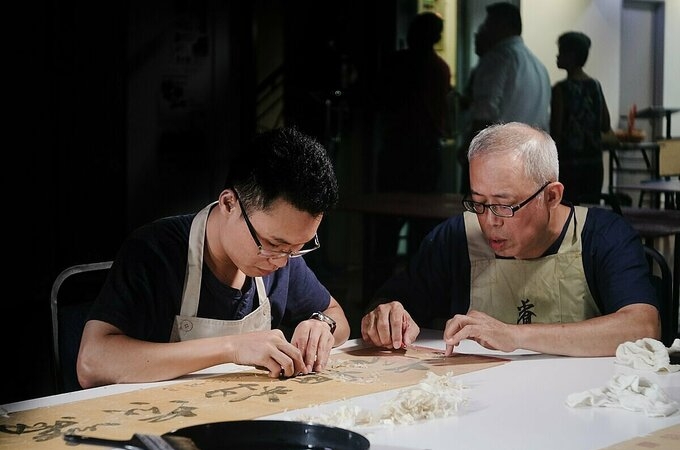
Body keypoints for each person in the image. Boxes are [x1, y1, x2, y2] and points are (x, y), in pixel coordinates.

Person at [77, 127, 350, 388]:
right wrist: (232, 348)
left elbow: (336, 317)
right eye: (272, 244)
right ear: (229, 203)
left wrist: (320, 325)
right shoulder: (155, 251)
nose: (281, 261)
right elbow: (91, 363)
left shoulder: (284, 257)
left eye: (298, 247)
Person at [361, 122, 660, 357]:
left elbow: (643, 327)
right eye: (478, 202)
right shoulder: (457, 238)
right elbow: (391, 302)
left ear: (551, 196)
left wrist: (513, 335)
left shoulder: (600, 236)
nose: (490, 221)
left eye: (505, 205)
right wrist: (386, 317)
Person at [371, 11, 452, 298]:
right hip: (426, 150)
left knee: (384, 227)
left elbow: (379, 99)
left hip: (396, 146)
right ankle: (418, 294)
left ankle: (377, 289)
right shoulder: (439, 68)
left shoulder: (396, 62)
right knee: (422, 227)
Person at [457, 2, 551, 194]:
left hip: (496, 166)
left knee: (478, 221)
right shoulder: (539, 66)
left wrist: (469, 151)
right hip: (531, 166)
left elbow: (484, 114)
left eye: (487, 24)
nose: (482, 29)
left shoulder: (497, 59)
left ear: (503, 26)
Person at [550, 31, 612, 204]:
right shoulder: (595, 86)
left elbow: (556, 131)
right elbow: (605, 124)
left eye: (561, 51)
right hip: (594, 163)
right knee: (590, 212)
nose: (557, 55)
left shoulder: (561, 90)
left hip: (569, 164)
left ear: (572, 56)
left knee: (568, 214)